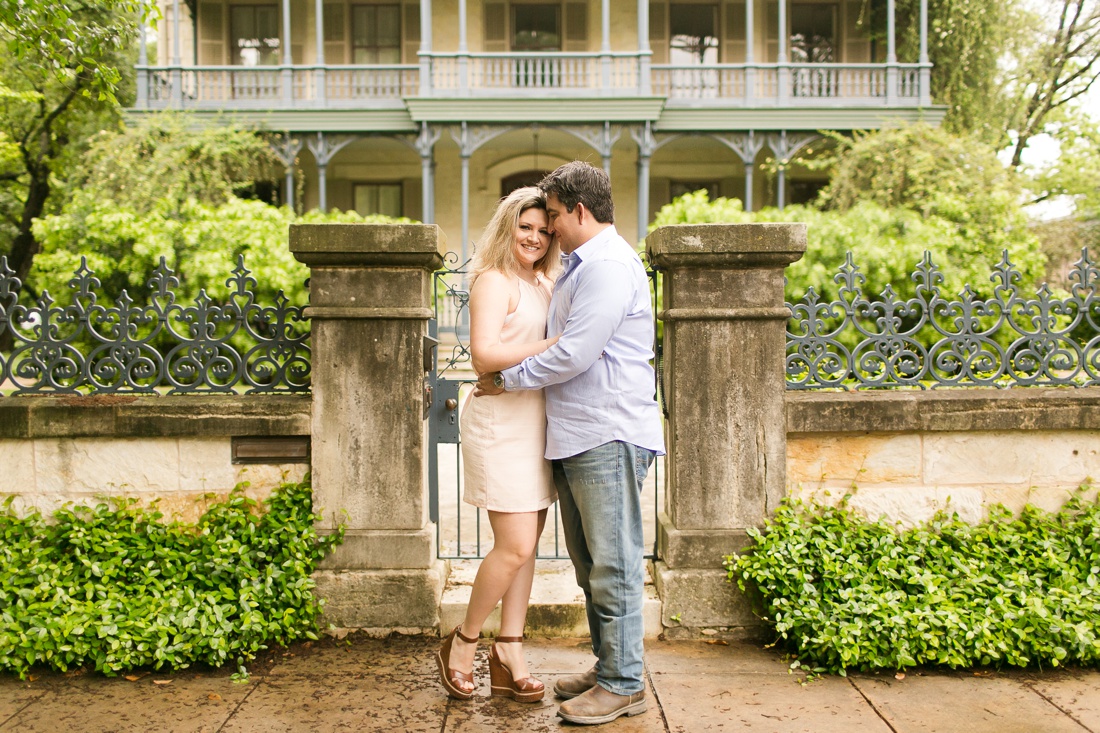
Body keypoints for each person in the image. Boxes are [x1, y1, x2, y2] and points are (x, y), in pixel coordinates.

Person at [475, 161, 665, 726]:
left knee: (614, 564)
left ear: (579, 211)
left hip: (607, 432)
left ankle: (624, 683)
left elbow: (574, 353)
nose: (549, 228)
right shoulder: (582, 267)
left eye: (553, 216)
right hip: (581, 434)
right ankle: (611, 665)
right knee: (591, 566)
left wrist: (506, 380)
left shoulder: (607, 267)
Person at [435, 186, 560, 703]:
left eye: (543, 230)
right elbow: (485, 356)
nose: (534, 237)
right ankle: (461, 646)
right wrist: (560, 343)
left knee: (527, 550)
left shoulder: (545, 283)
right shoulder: (494, 280)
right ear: (507, 227)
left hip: (538, 422)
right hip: (500, 426)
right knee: (515, 547)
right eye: (524, 227)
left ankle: (510, 651)